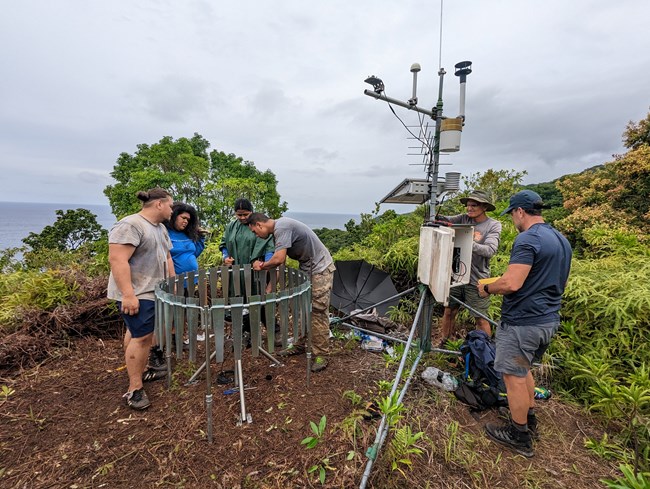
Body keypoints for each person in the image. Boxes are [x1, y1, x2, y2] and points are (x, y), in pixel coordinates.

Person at [477, 190, 572, 457]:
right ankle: (529, 419)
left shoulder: (528, 239)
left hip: (523, 322)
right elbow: (543, 278)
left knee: (513, 377)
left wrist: (487, 288)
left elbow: (512, 283)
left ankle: (519, 436)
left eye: (512, 215)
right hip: (548, 318)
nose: (513, 221)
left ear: (520, 211)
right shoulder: (560, 239)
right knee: (525, 369)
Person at [107, 188, 175, 410]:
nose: (172, 210)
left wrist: (172, 283)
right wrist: (128, 294)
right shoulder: (130, 225)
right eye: (170, 205)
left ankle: (140, 370)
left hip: (155, 290)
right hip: (138, 292)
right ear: (159, 204)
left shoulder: (160, 228)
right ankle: (134, 389)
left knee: (136, 333)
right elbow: (117, 260)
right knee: (143, 337)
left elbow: (166, 256)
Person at [246, 213, 335, 372]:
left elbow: (278, 259)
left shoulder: (282, 227)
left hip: (320, 270)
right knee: (302, 308)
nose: (256, 235)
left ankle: (322, 354)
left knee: (317, 311)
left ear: (259, 225)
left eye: (254, 231)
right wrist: (271, 288)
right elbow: (281, 263)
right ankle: (300, 344)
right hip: (308, 269)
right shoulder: (277, 232)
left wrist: (262, 265)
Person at [438, 190, 502, 346]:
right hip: (456, 274)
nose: (469, 208)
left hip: (477, 279)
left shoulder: (493, 225)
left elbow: (490, 250)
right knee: (449, 311)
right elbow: (443, 220)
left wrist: (467, 241)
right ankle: (446, 343)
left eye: (474, 205)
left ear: (484, 207)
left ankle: (485, 350)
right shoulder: (463, 219)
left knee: (480, 317)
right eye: (468, 205)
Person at [220, 199, 277, 345]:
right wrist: (226, 257)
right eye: (239, 215)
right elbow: (224, 244)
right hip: (236, 272)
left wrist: (266, 265)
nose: (242, 218)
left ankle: (274, 331)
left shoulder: (258, 225)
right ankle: (248, 333)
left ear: (251, 212)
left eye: (245, 214)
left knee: (259, 301)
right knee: (241, 302)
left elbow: (269, 247)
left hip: (256, 272)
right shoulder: (231, 226)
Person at [167, 202, 206, 278]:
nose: (186, 221)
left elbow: (194, 254)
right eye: (183, 218)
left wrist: (201, 237)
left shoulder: (188, 234)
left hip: (192, 280)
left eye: (188, 220)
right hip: (175, 281)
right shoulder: (165, 233)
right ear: (174, 216)